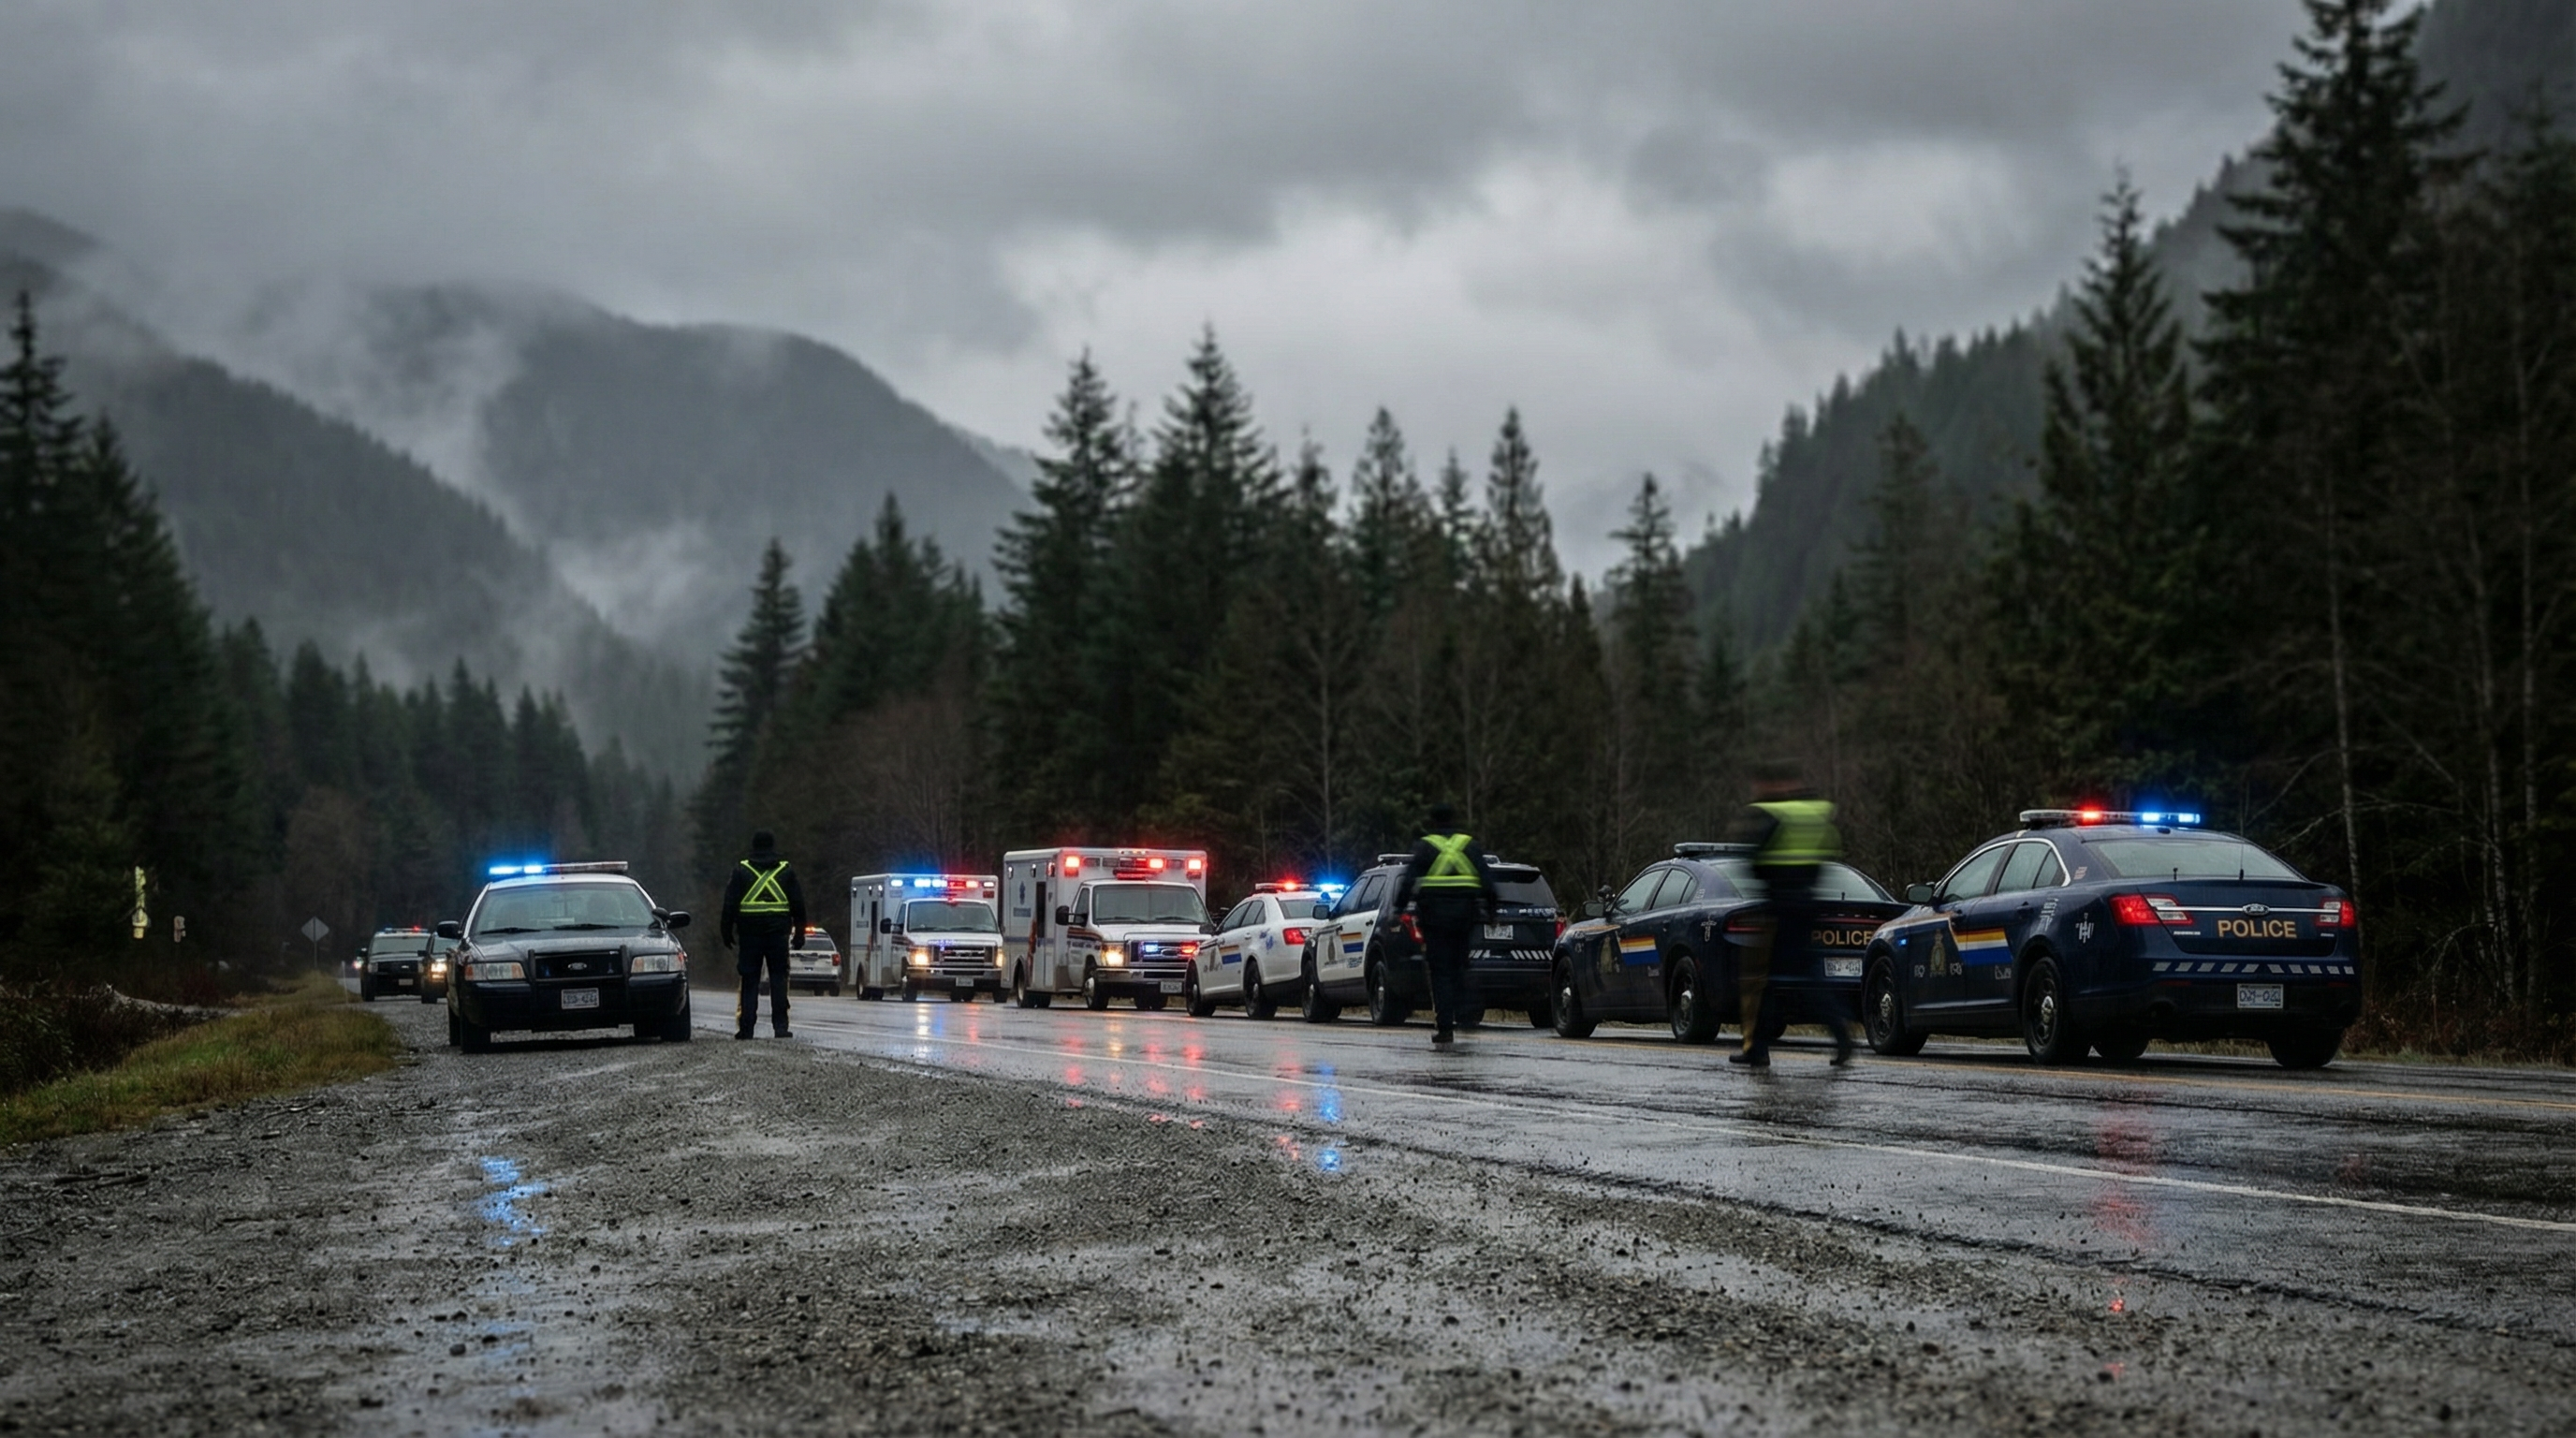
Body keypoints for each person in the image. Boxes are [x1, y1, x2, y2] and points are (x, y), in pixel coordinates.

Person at [1728, 765, 1856, 1068]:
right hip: (1807, 902)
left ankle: (1759, 1049)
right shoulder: (1814, 815)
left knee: (1771, 981)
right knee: (1802, 977)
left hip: (1779, 906)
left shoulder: (1775, 814)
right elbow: (1828, 856)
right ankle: (1838, 1036)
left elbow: (1755, 860)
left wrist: (1766, 885)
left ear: (1775, 783)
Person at [1391, 802, 1499, 1049]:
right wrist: (1492, 911)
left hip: (1434, 919)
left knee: (1440, 973)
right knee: (1461, 965)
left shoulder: (1425, 847)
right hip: (1464, 917)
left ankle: (1445, 1027)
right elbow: (1488, 882)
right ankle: (1467, 1011)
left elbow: (1408, 882)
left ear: (1433, 822)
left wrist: (1399, 909)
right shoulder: (1469, 845)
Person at [720, 829, 806, 1039]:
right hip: (778, 934)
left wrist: (726, 930)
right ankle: (781, 1026)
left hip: (749, 934)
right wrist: (799, 932)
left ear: (754, 846)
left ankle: (747, 1028)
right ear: (772, 846)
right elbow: (798, 903)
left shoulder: (742, 870)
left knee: (750, 979)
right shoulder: (785, 870)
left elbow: (730, 903)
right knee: (778, 978)